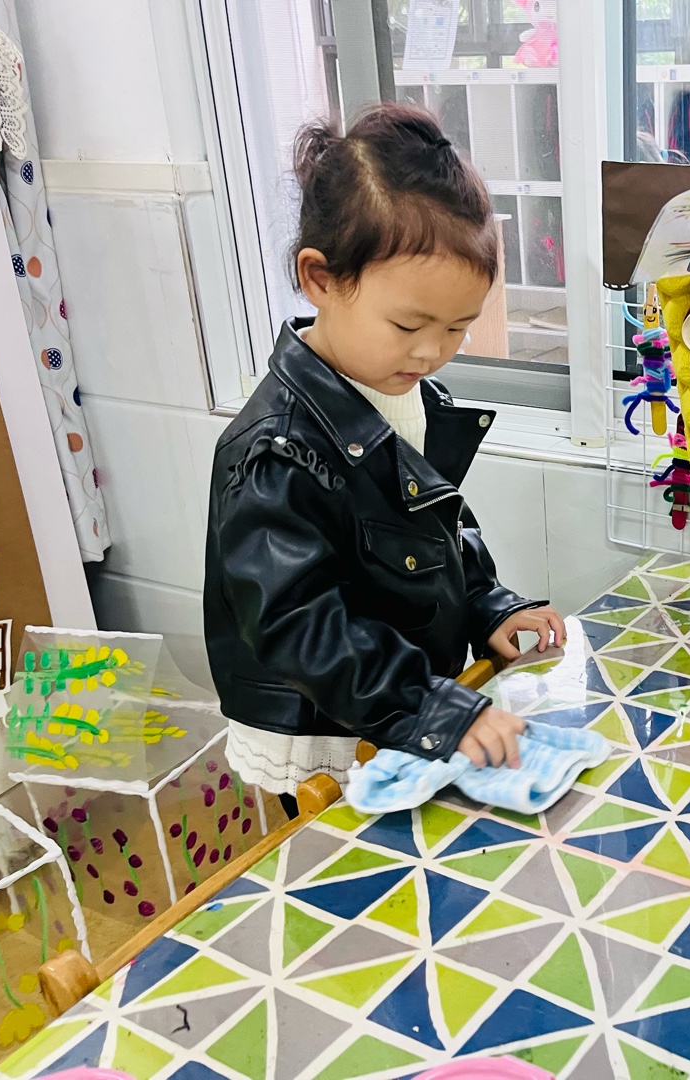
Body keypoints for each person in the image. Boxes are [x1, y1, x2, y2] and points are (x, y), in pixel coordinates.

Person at [204, 102, 565, 818]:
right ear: (320, 279)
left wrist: (488, 604)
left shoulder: (402, 390)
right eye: (408, 324)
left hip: (404, 703)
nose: (432, 352)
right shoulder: (275, 448)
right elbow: (297, 623)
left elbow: (437, 531)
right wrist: (428, 705)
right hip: (326, 726)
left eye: (458, 328)